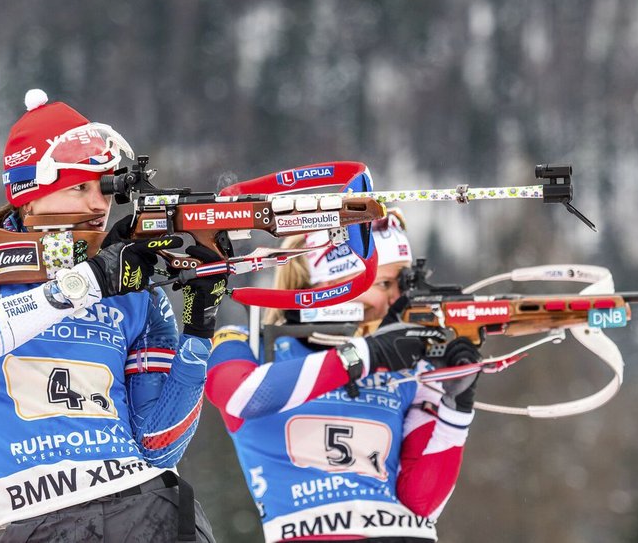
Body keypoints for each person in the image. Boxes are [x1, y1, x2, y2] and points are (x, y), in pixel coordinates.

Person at [0, 90, 219, 542]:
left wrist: (198, 329)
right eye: (80, 186)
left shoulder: (133, 289)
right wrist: (87, 283)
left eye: (104, 187)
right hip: (36, 520)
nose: (99, 204)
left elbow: (160, 443)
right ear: (29, 197)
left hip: (143, 507)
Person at [205, 211, 480, 542]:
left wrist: (455, 408)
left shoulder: (408, 367)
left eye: (403, 284)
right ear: (330, 284)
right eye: (384, 284)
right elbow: (241, 395)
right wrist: (364, 355)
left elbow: (420, 505)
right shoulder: (246, 343)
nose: (397, 299)